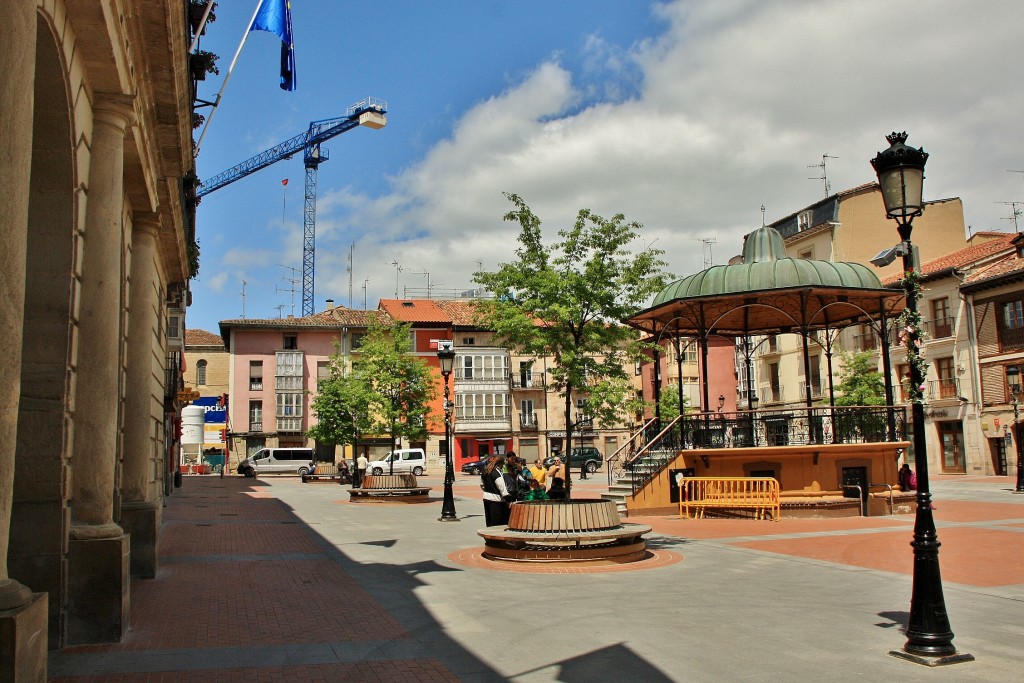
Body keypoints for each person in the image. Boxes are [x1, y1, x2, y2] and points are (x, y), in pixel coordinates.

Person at [481, 455, 512, 526]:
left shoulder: (485, 471)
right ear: (500, 464)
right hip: (497, 501)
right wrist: (508, 499)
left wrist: (487, 490)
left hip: (486, 499)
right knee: (497, 524)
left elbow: (482, 484)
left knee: (489, 521)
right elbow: (502, 488)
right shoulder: (497, 473)